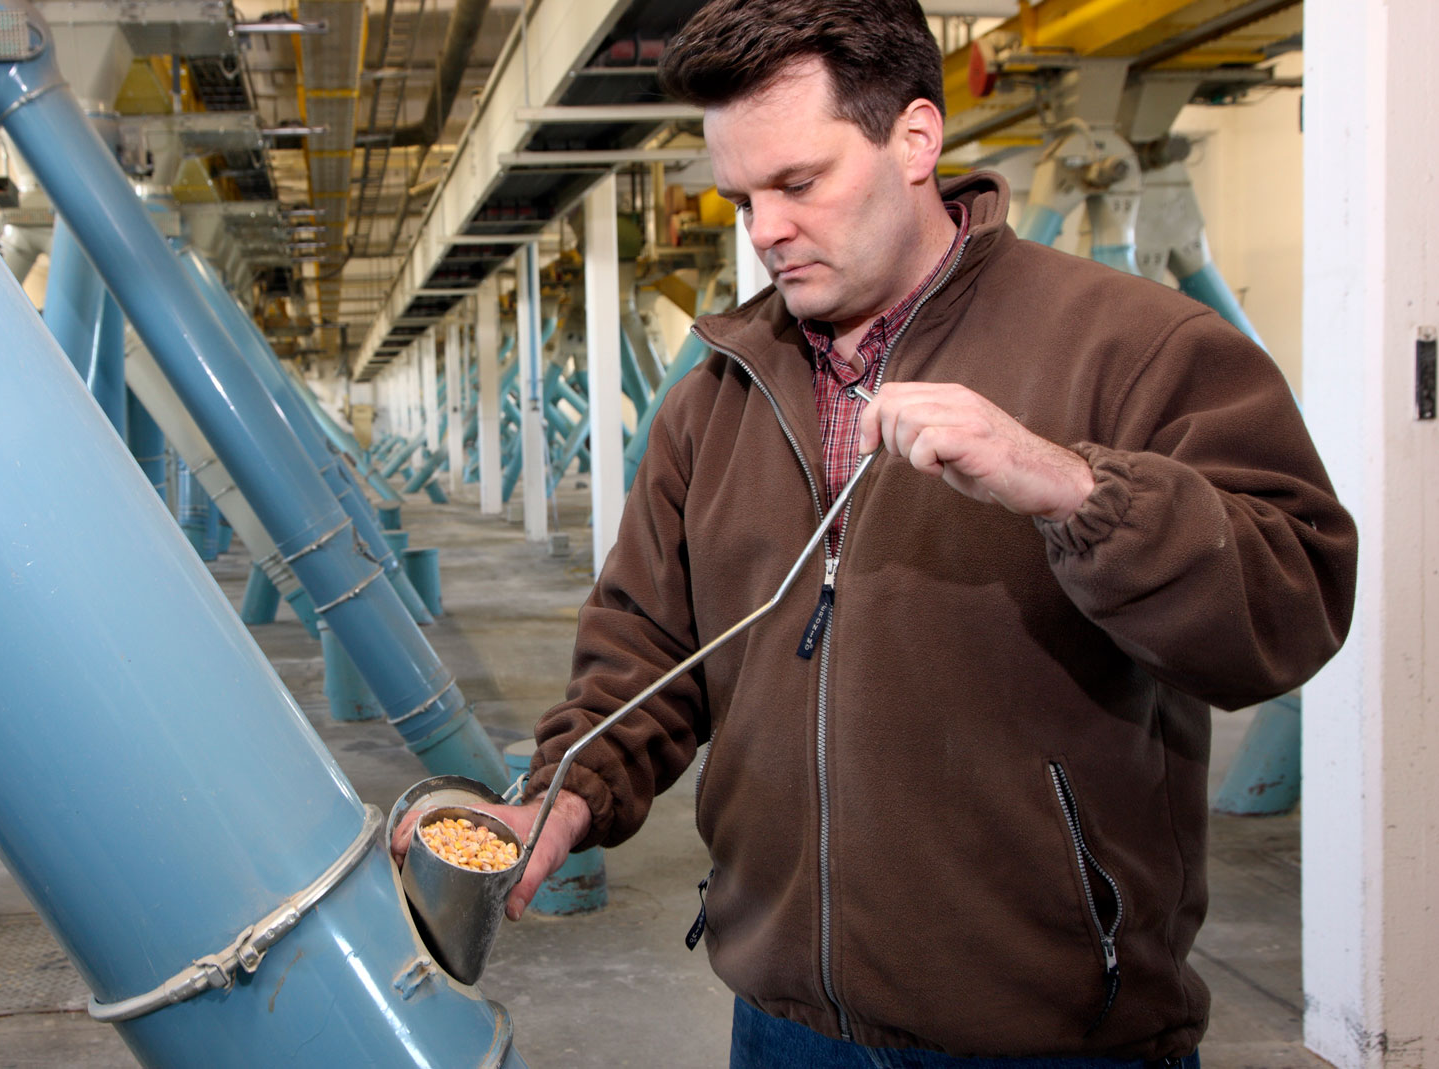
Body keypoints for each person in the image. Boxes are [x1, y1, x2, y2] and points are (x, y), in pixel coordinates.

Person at [396, 0, 1356, 1064]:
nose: (763, 231)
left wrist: (1068, 485)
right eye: (742, 197)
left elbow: (1292, 605)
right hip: (782, 1016)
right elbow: (647, 650)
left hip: (1050, 1030)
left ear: (914, 139)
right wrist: (561, 795)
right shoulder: (718, 394)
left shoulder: (1138, 345)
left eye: (798, 184)